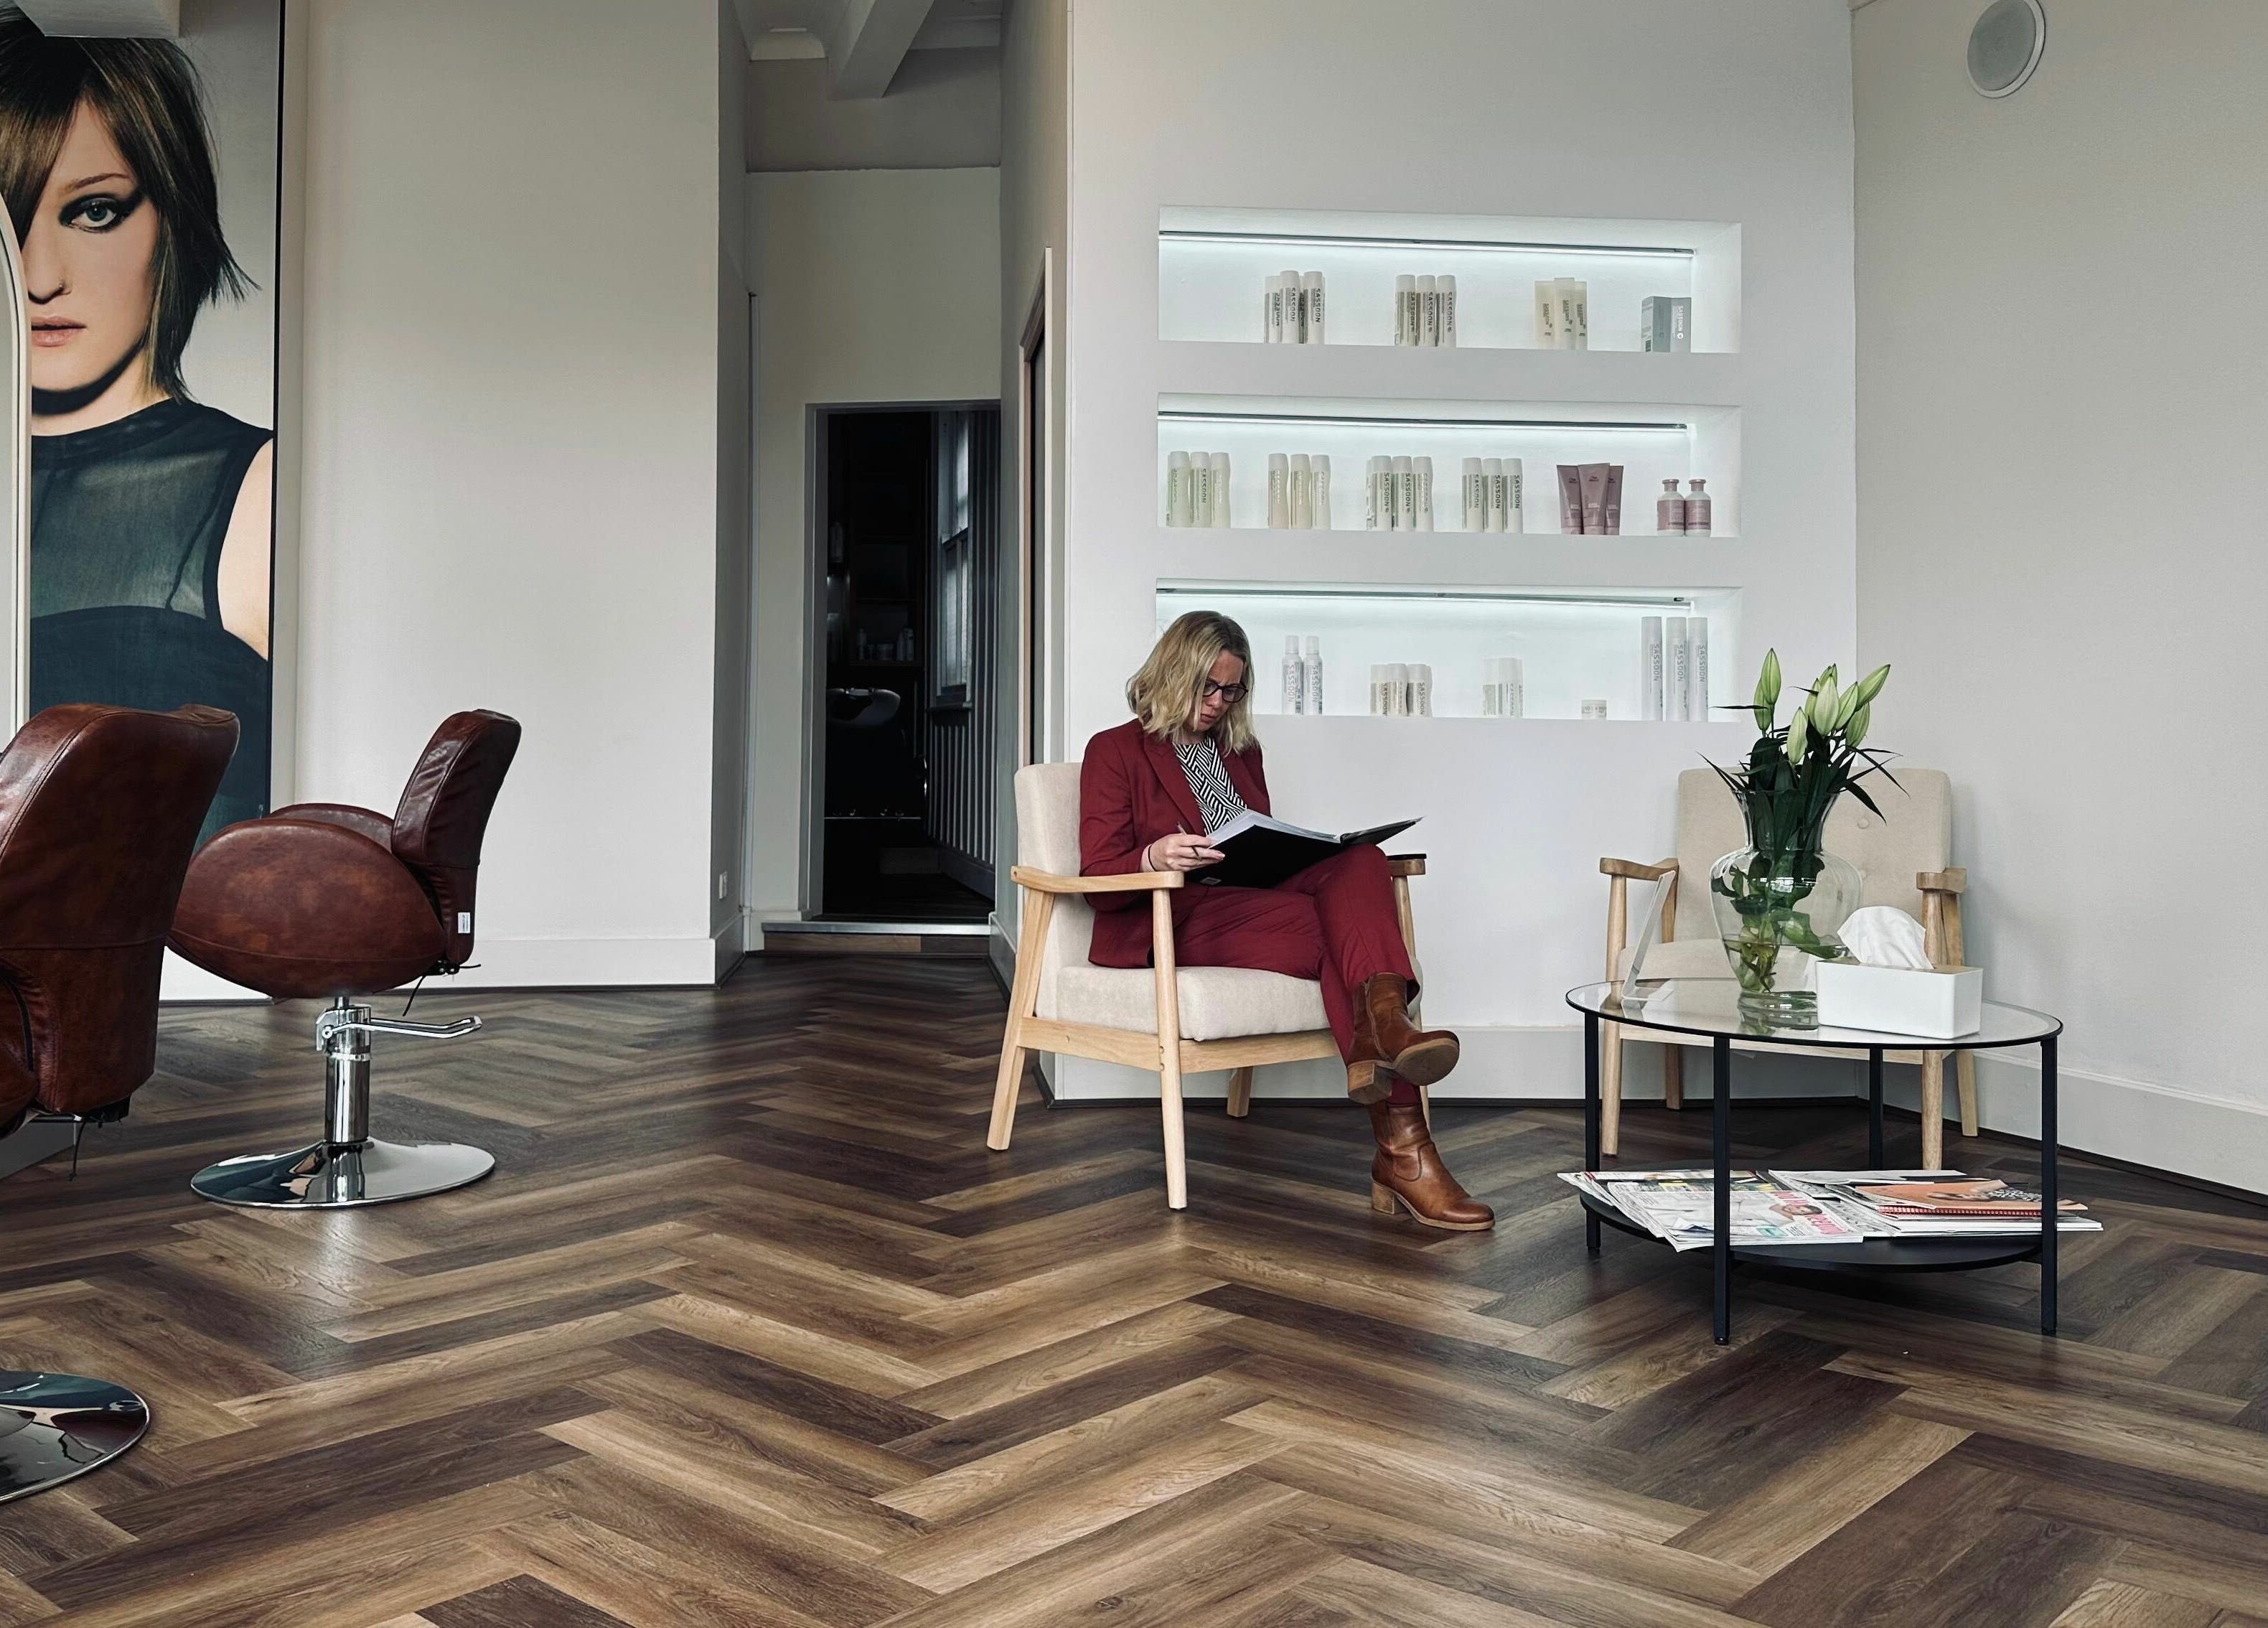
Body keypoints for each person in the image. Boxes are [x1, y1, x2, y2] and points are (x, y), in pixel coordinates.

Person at [1079, 610, 1492, 1230]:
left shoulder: (1242, 752)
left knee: (1361, 860)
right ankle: (1404, 1138)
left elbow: (1258, 839)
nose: (1220, 703)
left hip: (1251, 899)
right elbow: (1097, 876)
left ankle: (1384, 1041)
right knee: (1340, 936)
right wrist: (1153, 855)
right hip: (1174, 913)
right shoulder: (1114, 750)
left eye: (1233, 690)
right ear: (1172, 673)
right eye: (1207, 688)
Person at [0, 17, 272, 838]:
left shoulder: (255, 490)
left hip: (170, 967)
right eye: (7, 222)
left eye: (92, 212)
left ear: (171, 219)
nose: (39, 276)